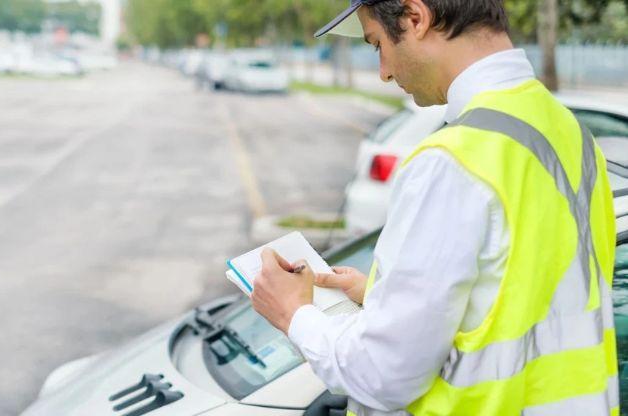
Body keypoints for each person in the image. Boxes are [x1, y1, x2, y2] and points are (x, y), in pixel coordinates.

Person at [250, 1, 618, 415]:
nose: (384, 72)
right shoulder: (569, 132)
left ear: (414, 18)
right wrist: (382, 297)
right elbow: (530, 290)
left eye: (377, 45)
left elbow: (381, 375)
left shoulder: (452, 161)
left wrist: (294, 314)